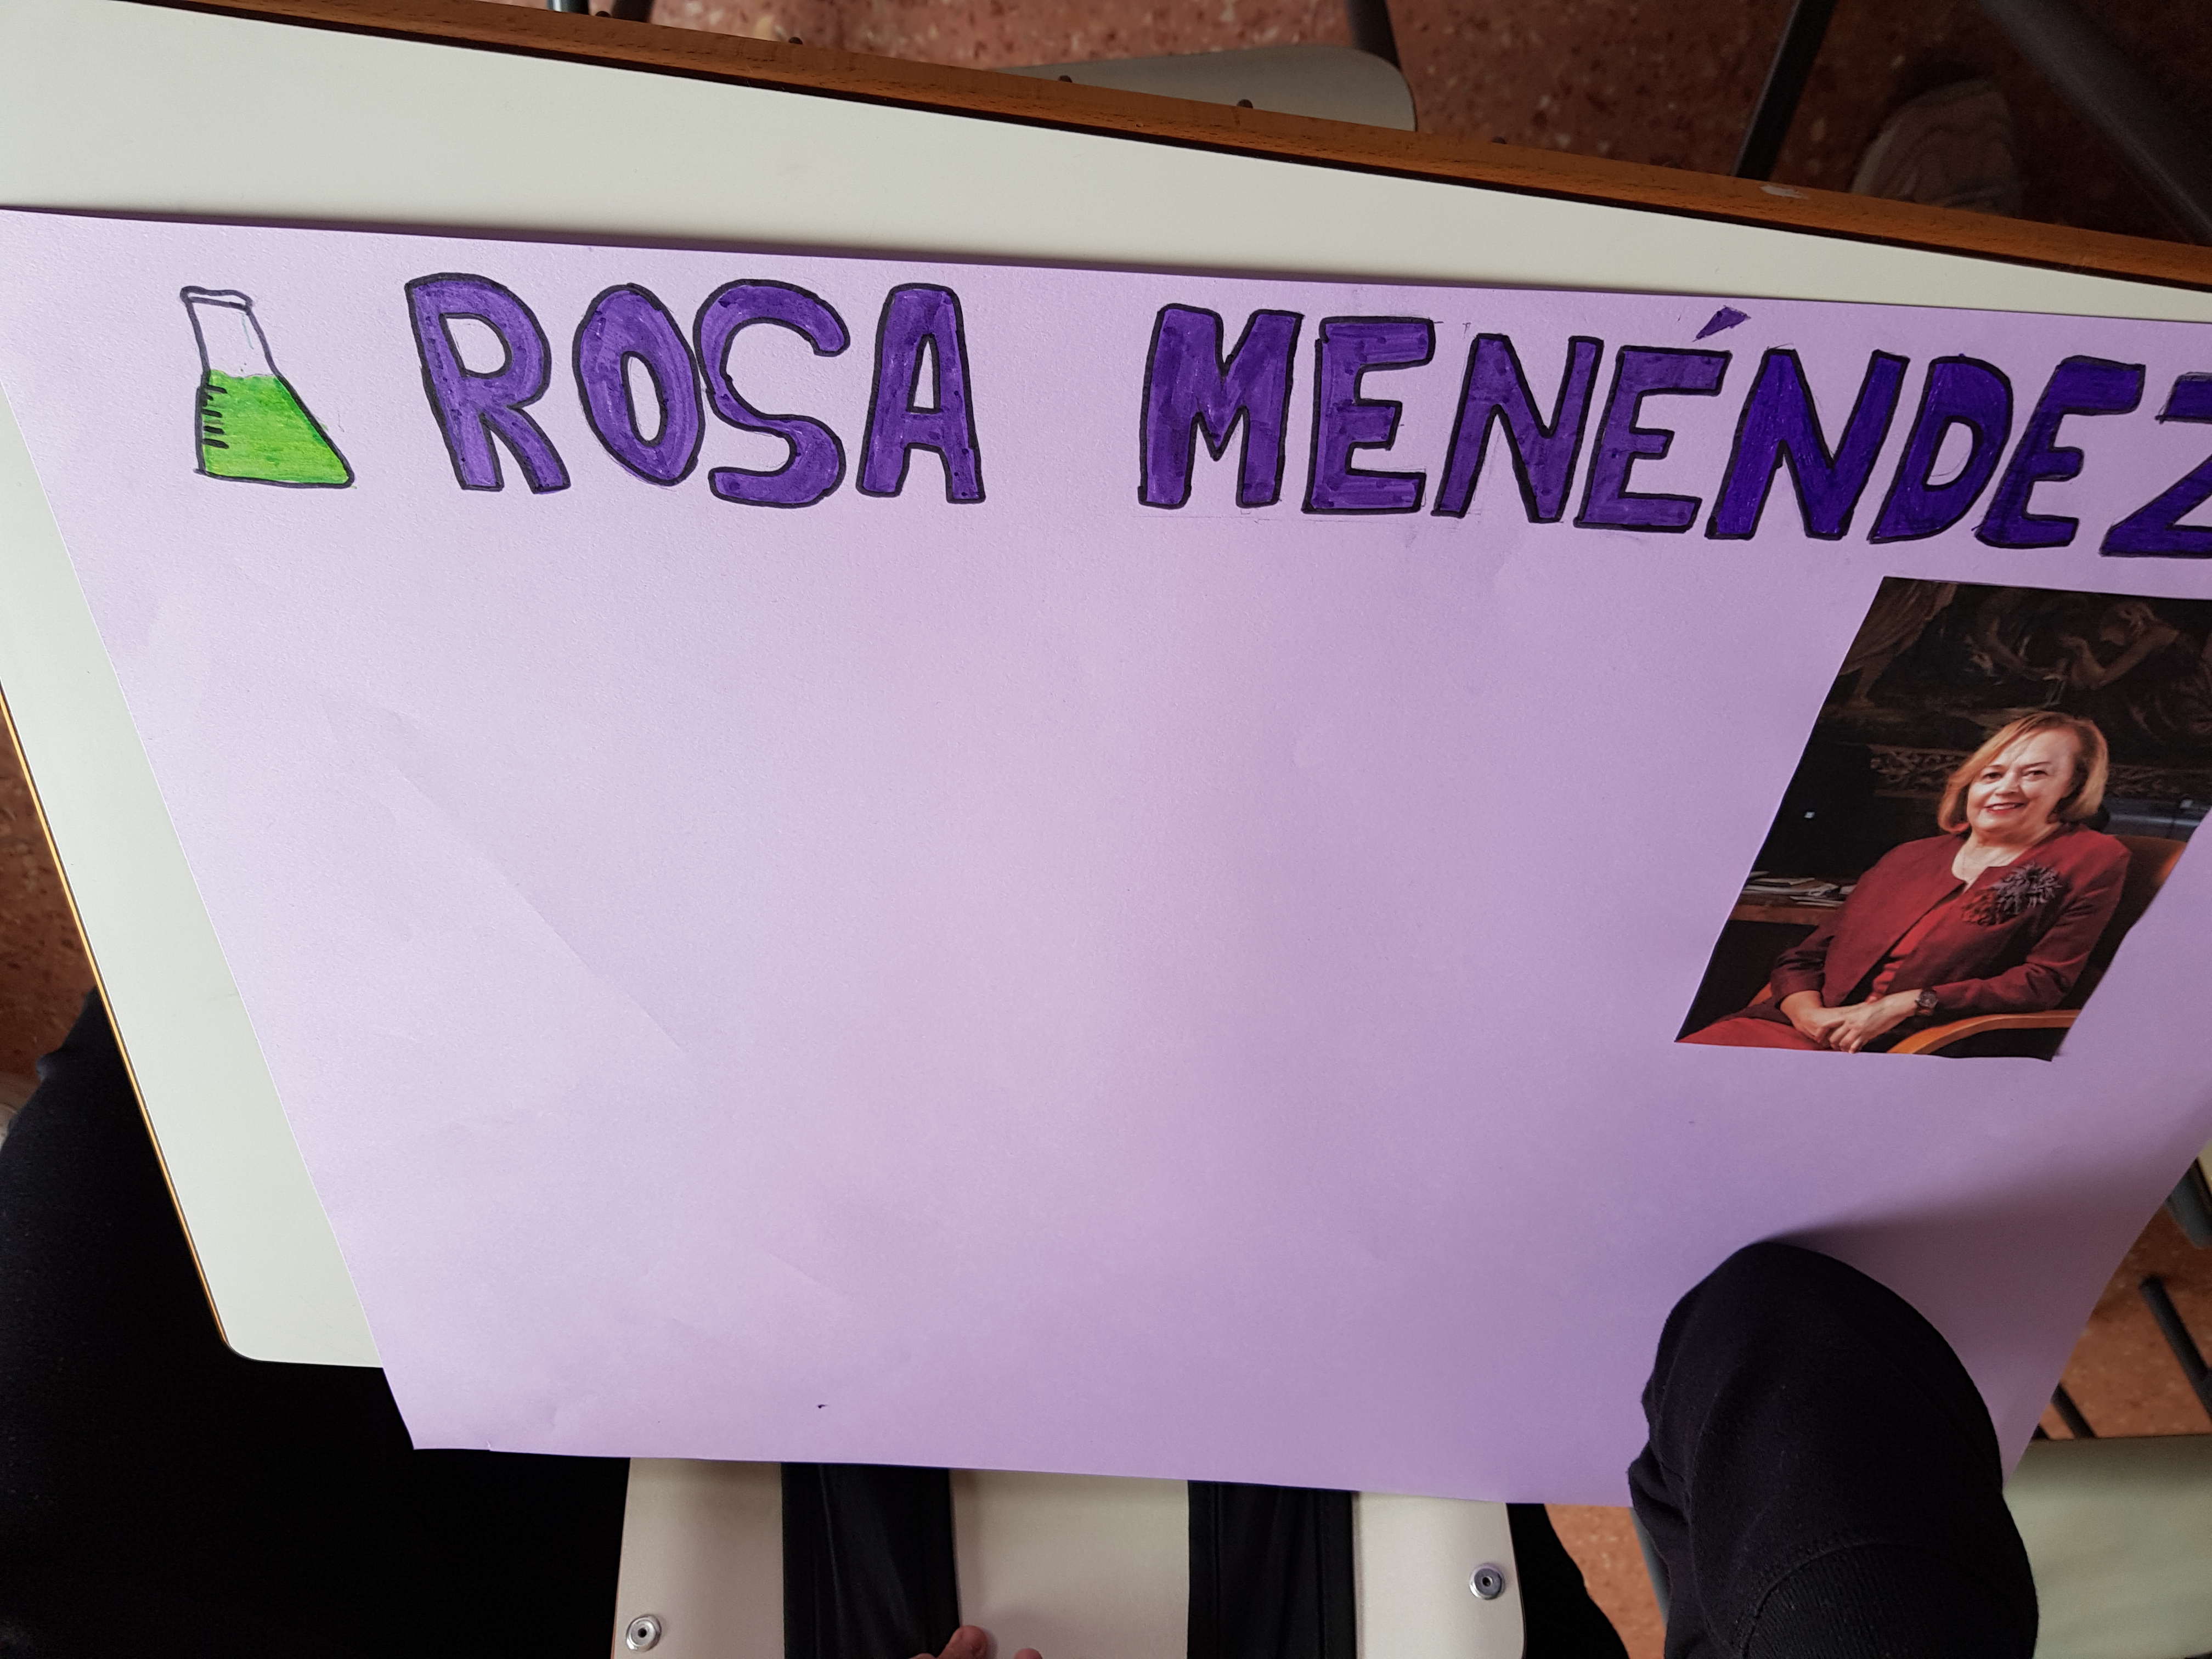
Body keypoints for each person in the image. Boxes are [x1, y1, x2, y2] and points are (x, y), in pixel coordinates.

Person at [1686, 712, 2128, 1052]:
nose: (2005, 788)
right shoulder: (1910, 856)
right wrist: (1809, 1016)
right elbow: (1803, 958)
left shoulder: (2091, 859)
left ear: (2072, 785)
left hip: (1911, 1046)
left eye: (2035, 774)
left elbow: (2042, 982)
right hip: (1803, 1028)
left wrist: (1911, 1002)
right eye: (1992, 774)